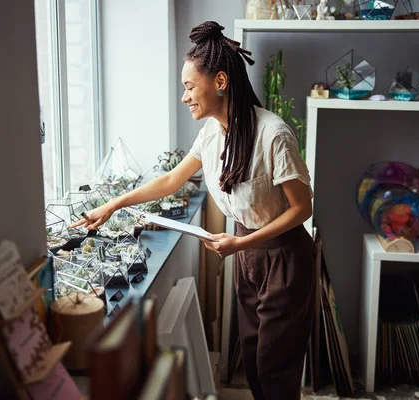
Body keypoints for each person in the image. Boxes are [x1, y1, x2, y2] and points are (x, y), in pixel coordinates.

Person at [70, 21, 316, 400]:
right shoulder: (213, 134)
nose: (184, 97)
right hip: (247, 253)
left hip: (284, 258)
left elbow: (302, 209)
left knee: (274, 369)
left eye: (189, 86)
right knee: (254, 362)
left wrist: (241, 241)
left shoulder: (273, 133)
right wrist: (113, 204)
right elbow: (171, 181)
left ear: (220, 81)